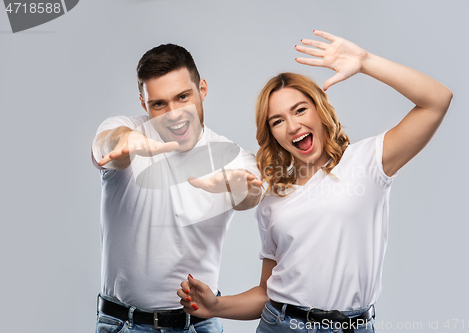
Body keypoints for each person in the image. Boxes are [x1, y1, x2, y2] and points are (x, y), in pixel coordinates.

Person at [177, 30, 453, 332]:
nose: (293, 126)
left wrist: (365, 61)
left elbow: (437, 100)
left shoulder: (368, 162)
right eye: (278, 121)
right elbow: (267, 293)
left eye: (300, 110)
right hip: (281, 325)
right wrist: (218, 306)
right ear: (272, 134)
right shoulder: (272, 197)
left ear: (320, 110)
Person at [91, 43, 262, 333]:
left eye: (183, 97)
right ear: (144, 104)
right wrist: (123, 143)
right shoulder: (126, 129)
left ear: (202, 89)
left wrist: (238, 188)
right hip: (124, 323)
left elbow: (250, 194)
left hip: (198, 325)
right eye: (159, 103)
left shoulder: (233, 156)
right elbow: (106, 144)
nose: (173, 113)